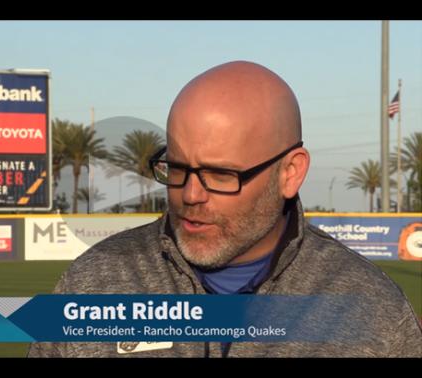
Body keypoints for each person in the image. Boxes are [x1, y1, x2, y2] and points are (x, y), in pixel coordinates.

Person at [28, 61, 422, 357]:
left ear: (291, 172)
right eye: (178, 168)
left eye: (221, 174)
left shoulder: (376, 311)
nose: (192, 195)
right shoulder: (94, 283)